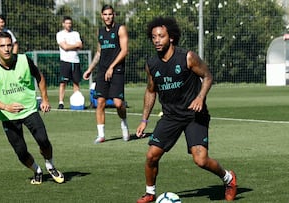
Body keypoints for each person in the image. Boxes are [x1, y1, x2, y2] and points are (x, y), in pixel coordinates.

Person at [135, 17, 237, 202]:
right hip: (170, 116)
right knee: (151, 156)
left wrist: (200, 97)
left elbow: (207, 76)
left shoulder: (187, 57)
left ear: (171, 38)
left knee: (201, 160)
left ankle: (228, 178)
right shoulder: (152, 64)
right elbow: (151, 91)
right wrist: (144, 120)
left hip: (194, 115)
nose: (157, 40)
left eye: (161, 36)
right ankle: (150, 193)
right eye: (153, 37)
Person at [0, 31, 64, 185]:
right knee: (20, 151)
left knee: (44, 140)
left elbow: (39, 77)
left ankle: (50, 165)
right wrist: (6, 107)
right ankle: (37, 171)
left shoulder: (24, 60)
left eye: (9, 45)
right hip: (8, 116)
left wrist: (45, 99)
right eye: (2, 46)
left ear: (13, 46)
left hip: (29, 109)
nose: (6, 49)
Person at [83, 5, 129, 143]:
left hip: (117, 70)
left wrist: (112, 67)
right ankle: (101, 135)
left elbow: (124, 50)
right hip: (103, 70)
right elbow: (99, 52)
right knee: (100, 102)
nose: (108, 17)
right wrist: (90, 68)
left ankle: (124, 125)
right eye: (105, 14)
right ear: (101, 16)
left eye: (110, 14)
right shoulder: (101, 32)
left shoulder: (120, 29)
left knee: (118, 103)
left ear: (114, 15)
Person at [56, 16, 83, 109]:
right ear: (63, 24)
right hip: (65, 61)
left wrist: (70, 45)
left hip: (75, 61)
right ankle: (61, 102)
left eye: (70, 23)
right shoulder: (59, 34)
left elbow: (80, 45)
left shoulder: (76, 34)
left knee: (76, 82)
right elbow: (65, 47)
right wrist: (75, 45)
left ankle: (77, 103)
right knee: (63, 82)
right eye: (67, 23)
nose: (69, 25)